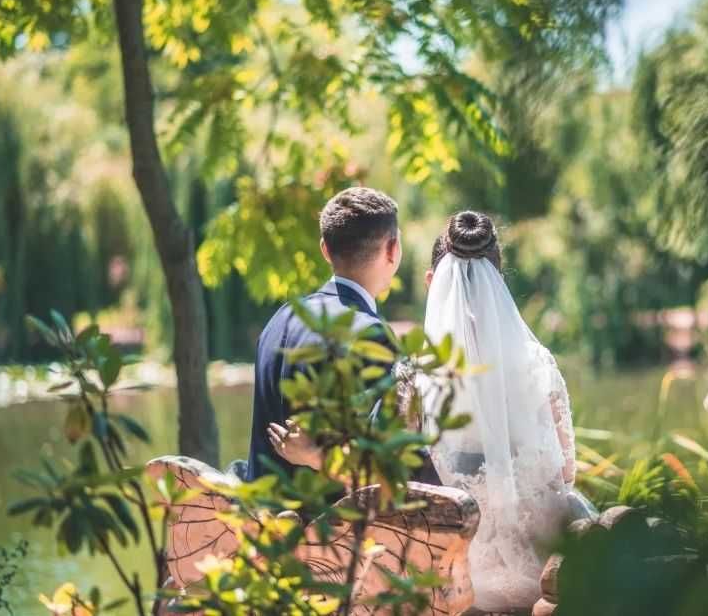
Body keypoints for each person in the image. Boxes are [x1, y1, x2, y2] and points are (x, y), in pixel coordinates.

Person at [413, 210, 585, 612]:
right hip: (541, 574)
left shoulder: (421, 381)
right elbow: (566, 472)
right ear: (499, 279)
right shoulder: (537, 365)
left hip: (459, 582)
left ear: (434, 285)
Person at [247, 186, 439, 486]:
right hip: (333, 529)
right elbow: (384, 468)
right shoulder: (370, 334)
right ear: (392, 250)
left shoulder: (280, 318)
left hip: (263, 523)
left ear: (325, 249)